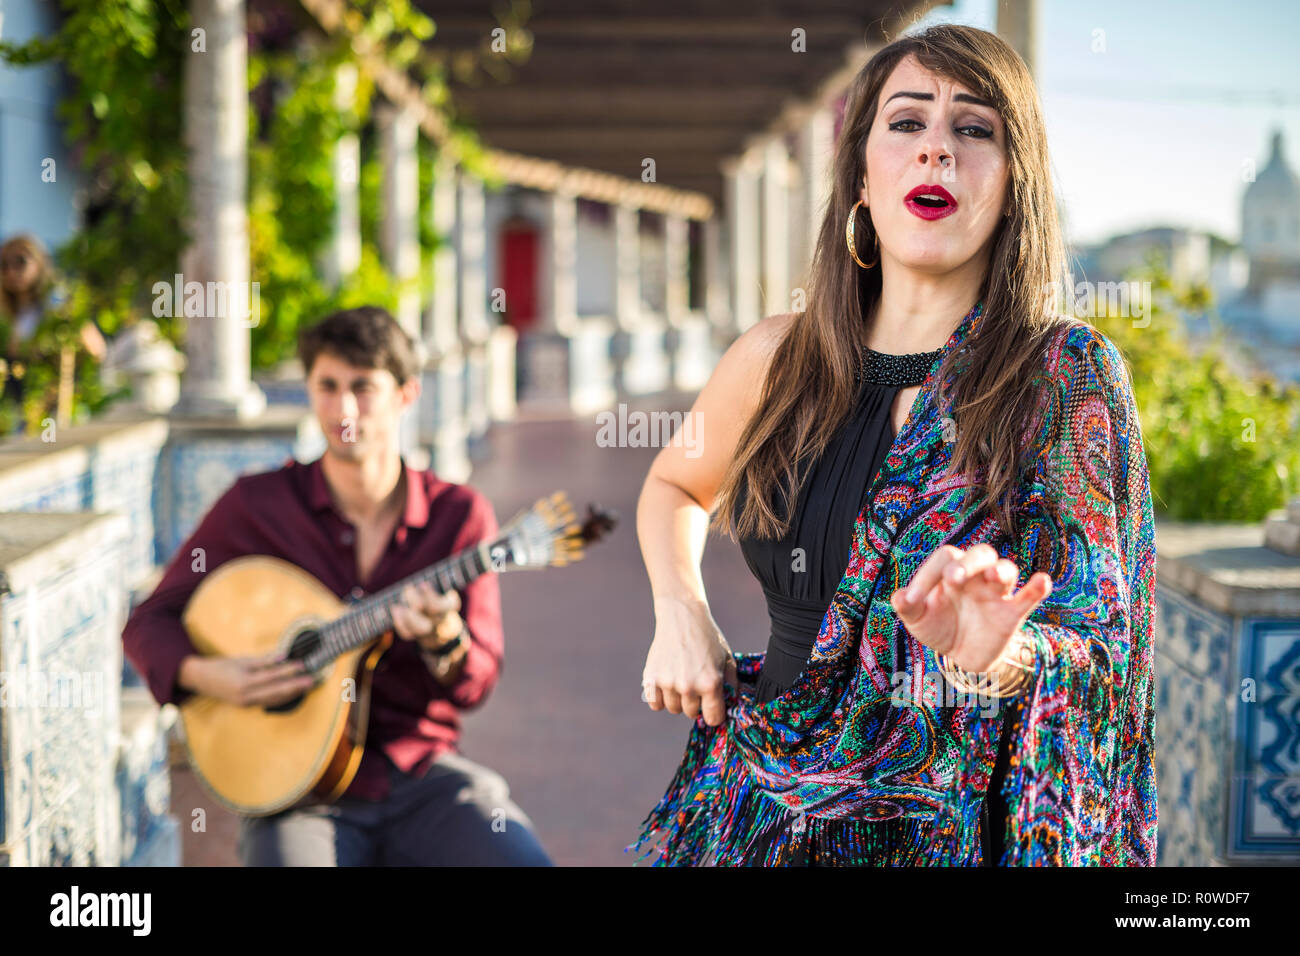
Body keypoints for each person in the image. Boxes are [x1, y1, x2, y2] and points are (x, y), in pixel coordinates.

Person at [630, 23, 1157, 866]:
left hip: (952, 833)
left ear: (1015, 182)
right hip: (760, 812)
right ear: (862, 180)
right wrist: (680, 610)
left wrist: (1001, 652)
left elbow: (1106, 643)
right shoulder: (775, 357)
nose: (936, 151)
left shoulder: (1065, 375)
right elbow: (676, 486)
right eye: (906, 123)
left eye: (974, 129)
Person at [122, 306, 552, 866]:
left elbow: (476, 684)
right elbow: (149, 622)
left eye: (363, 388)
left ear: (406, 394)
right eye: (327, 386)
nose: (343, 409)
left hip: (419, 772)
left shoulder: (459, 518)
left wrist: (444, 640)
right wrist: (211, 675)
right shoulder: (258, 505)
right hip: (295, 788)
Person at [0, 234, 107, 427]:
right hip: (23, 411)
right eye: (3, 265)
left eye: (20, 261)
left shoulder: (58, 303)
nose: (11, 271)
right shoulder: (9, 315)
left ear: (39, 261)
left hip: (61, 409)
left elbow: (96, 349)